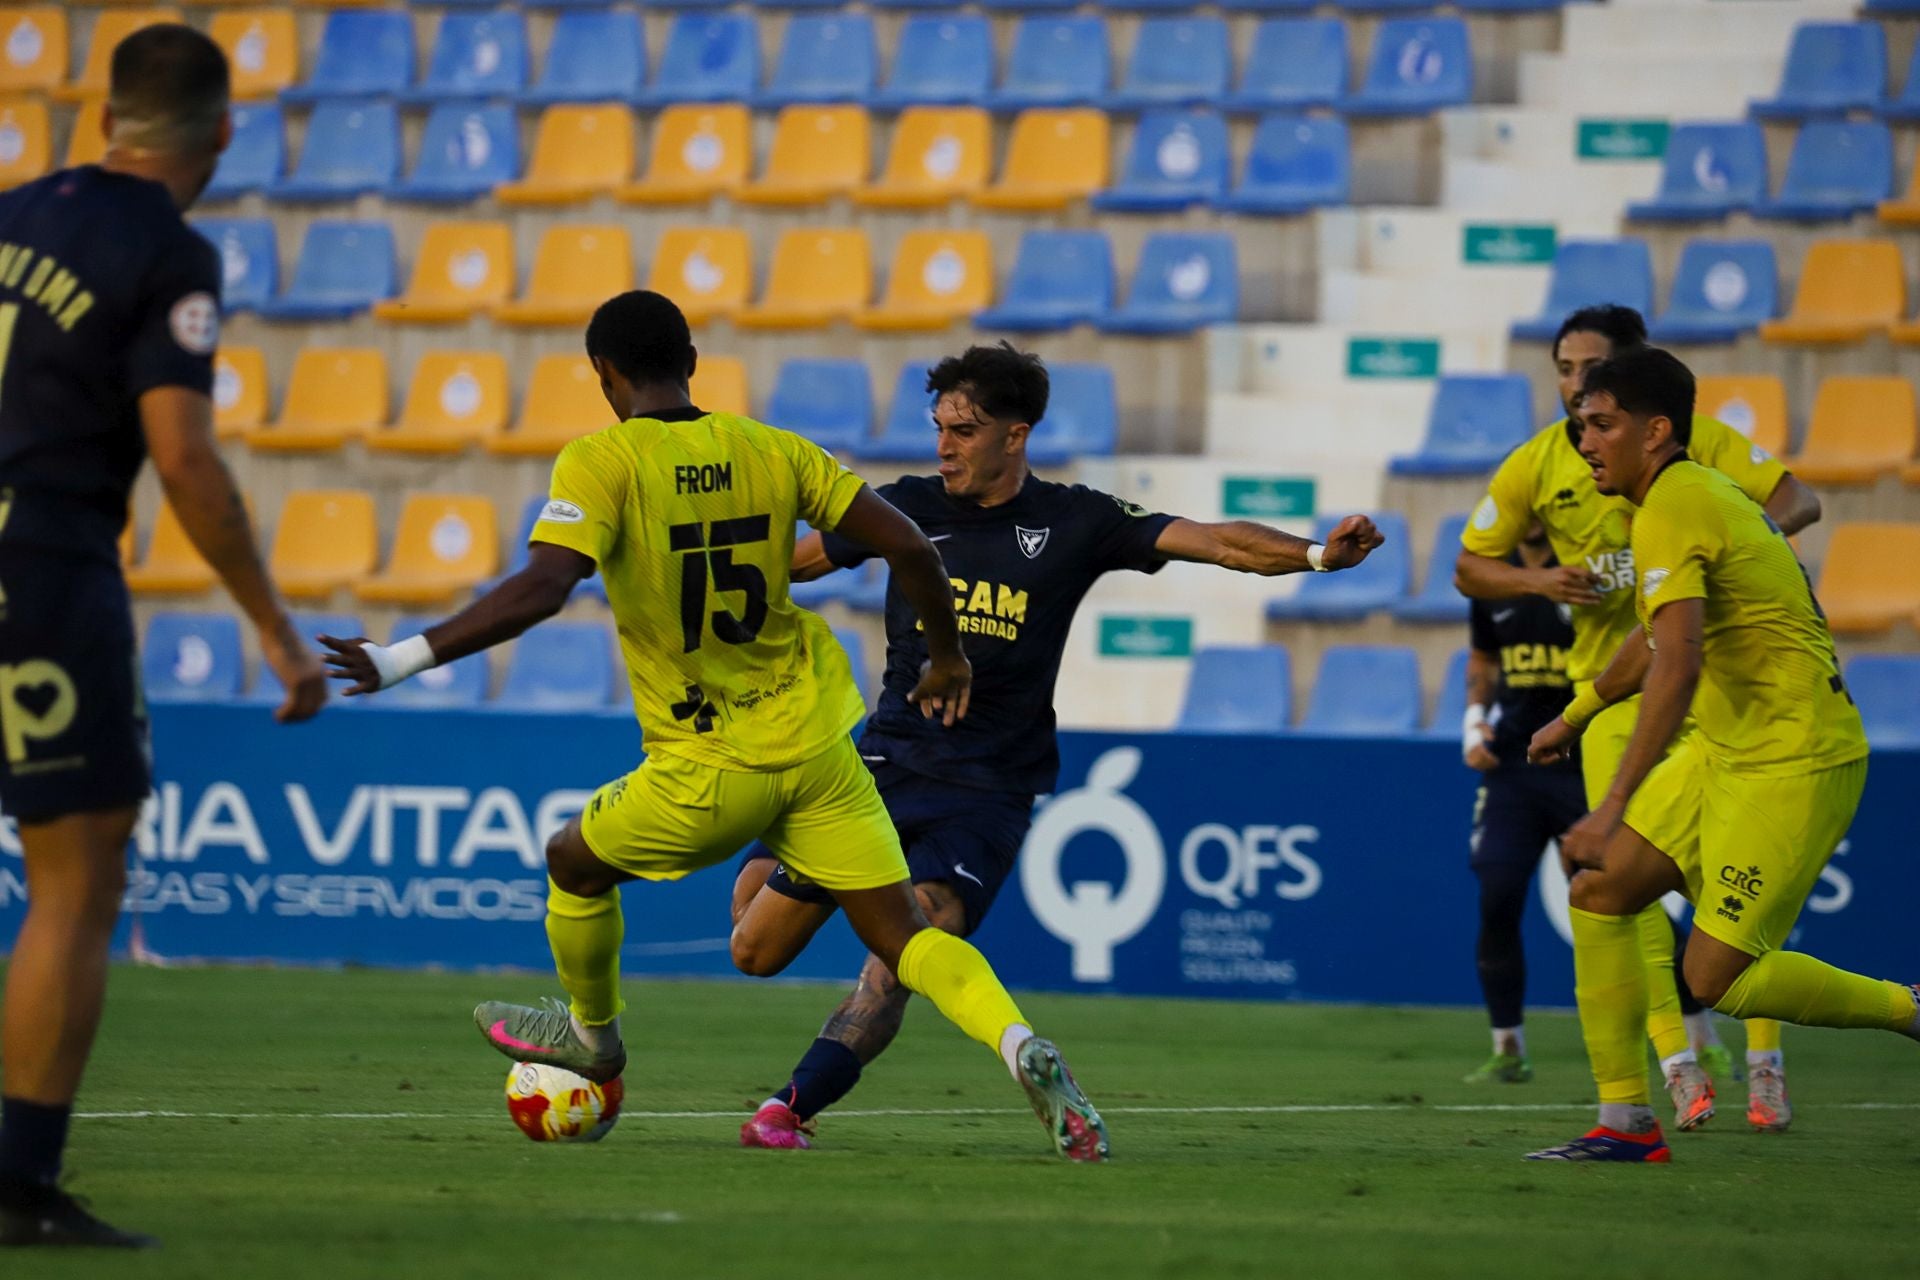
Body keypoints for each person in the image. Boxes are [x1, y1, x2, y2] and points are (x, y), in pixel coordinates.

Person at [321, 297, 1109, 1162]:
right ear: (692, 357)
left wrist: (400, 657)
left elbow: (544, 589)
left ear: (604, 378)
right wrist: (948, 655)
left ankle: (596, 1045)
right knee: (905, 940)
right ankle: (1015, 1043)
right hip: (820, 756)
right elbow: (915, 547)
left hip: (709, 764)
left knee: (571, 862)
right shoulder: (774, 450)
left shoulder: (603, 460)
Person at [725, 342, 1384, 1151]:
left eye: (964, 430)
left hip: (988, 791)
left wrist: (1317, 554)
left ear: (1017, 434)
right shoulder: (903, 508)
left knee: (907, 952)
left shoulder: (1075, 521)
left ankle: (789, 1108)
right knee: (753, 945)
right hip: (881, 770)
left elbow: (1216, 542)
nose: (944, 446)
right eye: (939, 427)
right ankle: (805, 1086)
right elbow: (800, 562)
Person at [0, 27, 328, 1248]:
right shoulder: (168, 250)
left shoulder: (10, 211)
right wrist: (279, 633)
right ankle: (20, 1184)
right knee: (75, 883)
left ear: (104, 115)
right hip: (40, 561)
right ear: (224, 130)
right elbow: (185, 455)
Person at [1521, 346, 1918, 1163]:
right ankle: (1625, 1123)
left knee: (1717, 981)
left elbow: (1681, 662)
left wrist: (1609, 807)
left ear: (1655, 430)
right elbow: (1653, 636)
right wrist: (1581, 710)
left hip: (1796, 760)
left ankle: (1909, 1009)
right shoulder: (1676, 499)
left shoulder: (1678, 503)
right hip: (1731, 751)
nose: (1584, 440)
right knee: (1599, 893)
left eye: (1601, 424)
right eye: (1577, 425)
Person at [1454, 304, 1821, 1133]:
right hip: (1614, 694)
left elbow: (1800, 498)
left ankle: (1766, 1066)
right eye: (1563, 369)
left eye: (1591, 369)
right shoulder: (1543, 463)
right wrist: (1542, 585)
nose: (1575, 385)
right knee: (1618, 888)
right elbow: (1469, 568)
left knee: (1729, 896)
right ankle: (1676, 1068)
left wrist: (1743, 545)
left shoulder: (1686, 459)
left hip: (1712, 688)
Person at [1458, 521, 1584, 1086]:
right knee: (1497, 894)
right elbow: (1483, 660)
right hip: (1513, 765)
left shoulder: (1587, 567)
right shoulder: (1492, 577)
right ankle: (1508, 1045)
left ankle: (1695, 1033)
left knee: (1627, 898)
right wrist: (1473, 722)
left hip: (1583, 762)